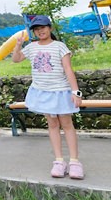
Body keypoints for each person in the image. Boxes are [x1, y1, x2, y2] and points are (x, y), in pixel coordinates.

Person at [12, 15, 84, 180]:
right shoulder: (32, 47)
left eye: (42, 27)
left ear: (49, 28)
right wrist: (18, 45)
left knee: (67, 124)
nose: (40, 31)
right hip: (42, 92)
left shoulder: (59, 46)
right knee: (52, 125)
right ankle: (59, 161)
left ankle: (74, 162)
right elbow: (16, 59)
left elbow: (68, 69)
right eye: (36, 29)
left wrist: (75, 92)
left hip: (61, 92)